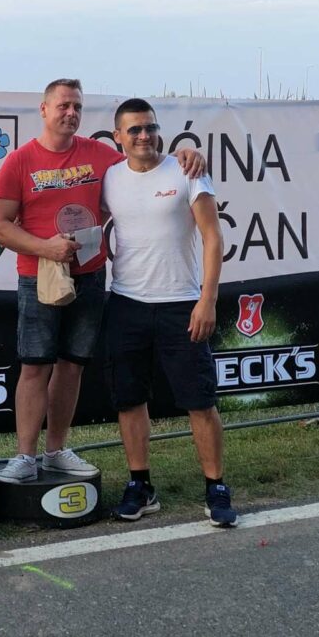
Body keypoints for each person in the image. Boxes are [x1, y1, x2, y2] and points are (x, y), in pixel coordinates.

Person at [0, 81, 205, 483]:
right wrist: (46, 248)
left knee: (71, 367)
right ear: (44, 109)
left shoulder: (100, 155)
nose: (71, 113)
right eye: (63, 106)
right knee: (35, 367)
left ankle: (55, 451)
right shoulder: (19, 161)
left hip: (89, 276)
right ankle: (24, 457)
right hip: (39, 278)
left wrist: (186, 154)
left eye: (77, 106)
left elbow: (145, 161)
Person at [101, 97, 237, 527]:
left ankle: (216, 488)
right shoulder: (109, 177)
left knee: (200, 401)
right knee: (130, 400)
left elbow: (213, 238)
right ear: (118, 137)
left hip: (182, 304)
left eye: (151, 128)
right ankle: (141, 486)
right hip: (126, 304)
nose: (144, 136)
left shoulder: (187, 170)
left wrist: (207, 299)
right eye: (135, 130)